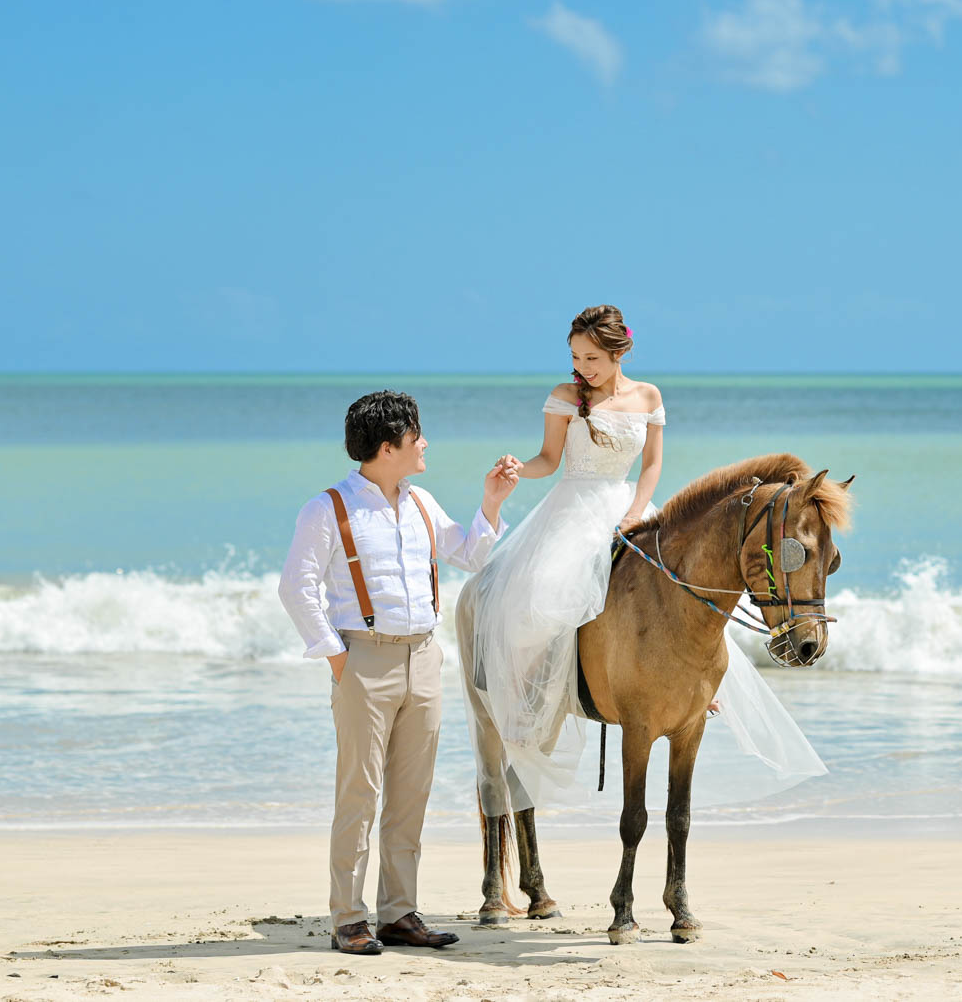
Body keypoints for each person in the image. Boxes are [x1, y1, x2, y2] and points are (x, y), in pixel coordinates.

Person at [461, 305, 825, 817]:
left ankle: (694, 692)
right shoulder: (565, 397)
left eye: (591, 357)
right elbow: (549, 458)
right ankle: (528, 699)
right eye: (575, 357)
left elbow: (652, 464)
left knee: (682, 592)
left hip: (628, 508)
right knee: (542, 594)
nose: (582, 366)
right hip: (570, 509)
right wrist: (520, 469)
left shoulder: (648, 396)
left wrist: (635, 513)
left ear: (618, 353)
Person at [278, 390, 518, 956]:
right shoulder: (328, 508)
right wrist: (336, 655)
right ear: (389, 447)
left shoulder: (420, 503)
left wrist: (492, 500)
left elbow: (470, 554)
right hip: (363, 659)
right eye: (417, 436)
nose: (425, 443)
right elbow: (296, 587)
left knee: (411, 795)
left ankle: (398, 914)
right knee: (358, 794)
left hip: (425, 657)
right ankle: (348, 918)